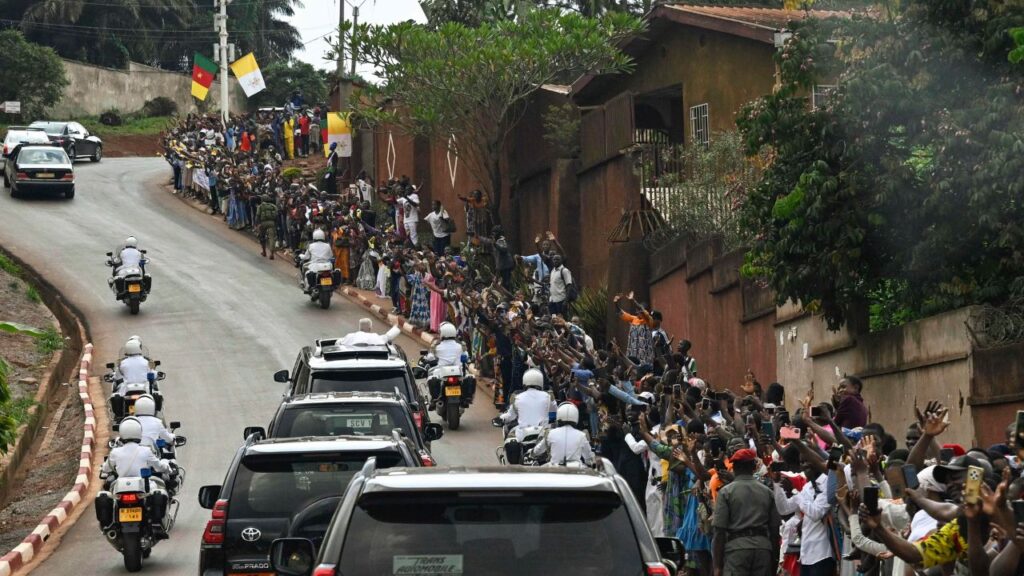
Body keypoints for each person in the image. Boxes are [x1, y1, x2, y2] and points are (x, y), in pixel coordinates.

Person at [712, 448, 781, 576]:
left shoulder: (726, 492)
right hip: (763, 550)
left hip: (737, 551)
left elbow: (719, 532)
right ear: (754, 467)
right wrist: (774, 560)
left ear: (734, 467)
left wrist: (717, 566)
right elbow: (774, 531)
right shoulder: (767, 492)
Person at [496, 368, 556, 464]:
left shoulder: (517, 398)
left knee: (509, 437)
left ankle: (512, 463)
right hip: (542, 433)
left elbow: (510, 416)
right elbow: (554, 414)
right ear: (540, 381)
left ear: (525, 381)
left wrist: (501, 418)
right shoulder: (548, 396)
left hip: (522, 434)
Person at [99, 417, 171, 489]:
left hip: (121, 487)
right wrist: (166, 466)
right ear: (139, 432)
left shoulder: (115, 452)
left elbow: (106, 469)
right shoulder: (146, 450)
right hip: (142, 486)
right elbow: (159, 467)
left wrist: (102, 468)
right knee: (158, 490)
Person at [256, 195, 278, 259]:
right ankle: (271, 254)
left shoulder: (260, 206)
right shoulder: (273, 206)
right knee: (272, 238)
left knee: (262, 237)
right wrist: (276, 224)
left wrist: (257, 224)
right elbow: (277, 216)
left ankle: (264, 251)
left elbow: (257, 216)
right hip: (272, 223)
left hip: (263, 223)